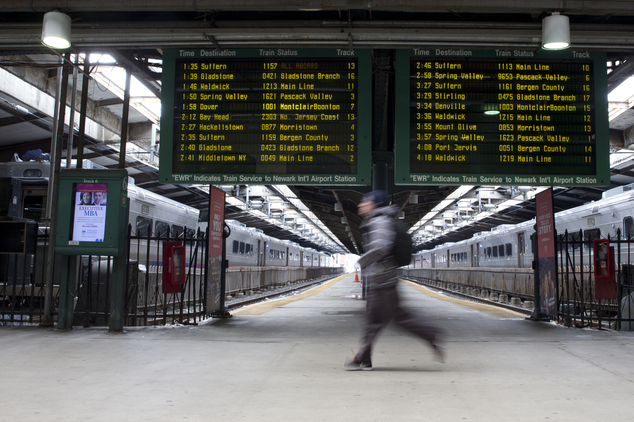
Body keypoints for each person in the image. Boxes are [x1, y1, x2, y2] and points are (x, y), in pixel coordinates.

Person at [344, 190, 444, 371]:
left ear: (374, 204)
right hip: (385, 279)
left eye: (364, 201)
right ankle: (431, 334)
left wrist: (361, 261)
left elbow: (381, 248)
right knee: (400, 318)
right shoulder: (378, 220)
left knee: (373, 321)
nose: (360, 205)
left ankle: (363, 360)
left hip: (381, 281)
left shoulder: (379, 221)